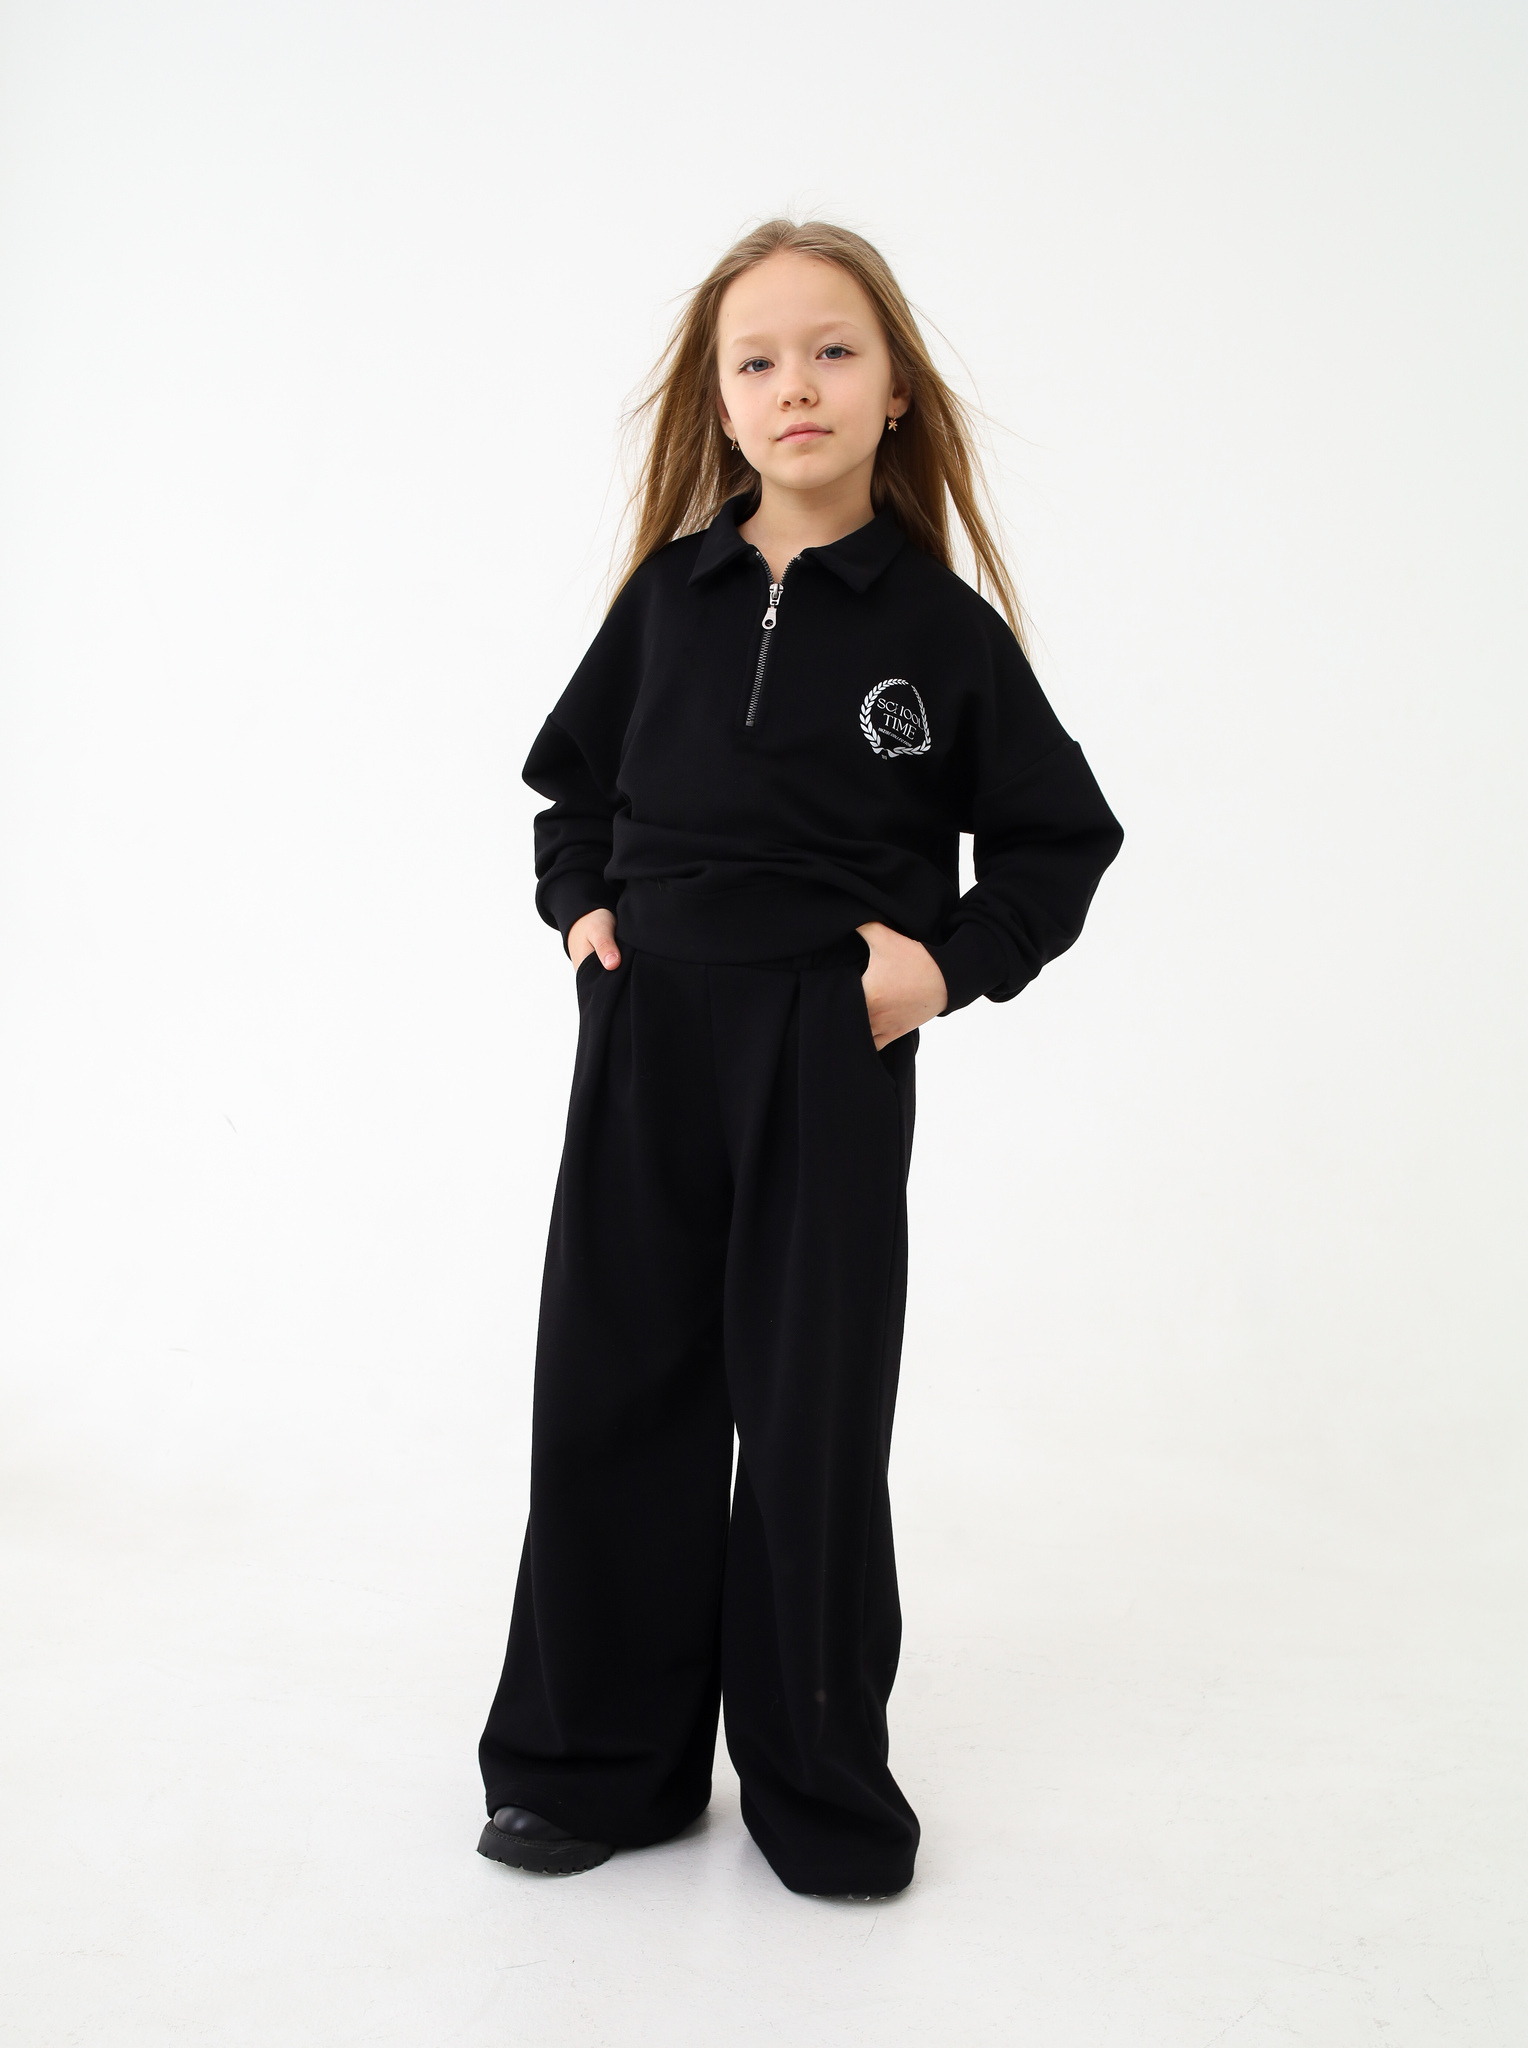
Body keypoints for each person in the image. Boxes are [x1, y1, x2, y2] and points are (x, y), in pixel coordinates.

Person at [476, 218, 1123, 1900]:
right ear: (721, 402)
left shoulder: (941, 632)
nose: (796, 385)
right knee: (614, 1386)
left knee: (809, 1409)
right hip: (649, 1033)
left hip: (825, 1043)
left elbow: (1060, 839)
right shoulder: (669, 599)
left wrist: (946, 967)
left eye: (833, 350)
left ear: (896, 388)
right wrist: (580, 910)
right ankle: (593, 1765)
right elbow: (572, 791)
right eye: (756, 361)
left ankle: (817, 1779)